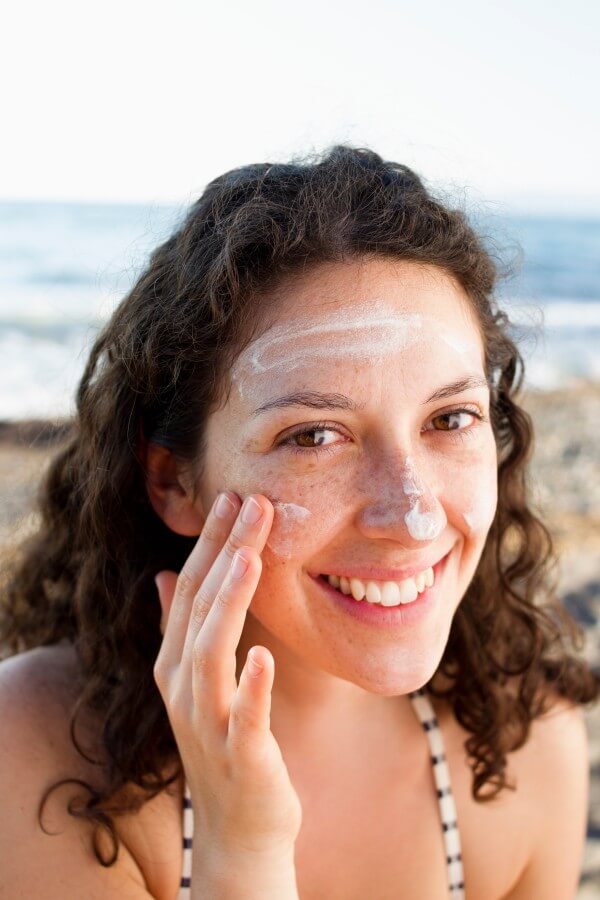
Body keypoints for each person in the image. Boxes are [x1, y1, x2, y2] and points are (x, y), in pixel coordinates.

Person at [0, 146, 597, 900]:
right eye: (313, 436)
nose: (413, 518)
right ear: (172, 481)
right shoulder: (36, 755)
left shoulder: (531, 749)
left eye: (450, 418)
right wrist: (242, 853)